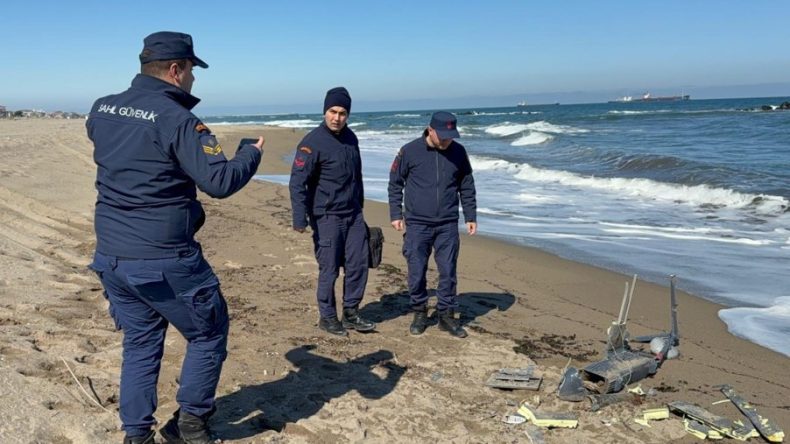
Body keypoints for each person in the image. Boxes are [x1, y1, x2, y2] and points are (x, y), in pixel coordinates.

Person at [85, 31, 264, 444]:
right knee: (208, 331)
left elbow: (124, 153)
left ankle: (137, 435)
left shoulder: (102, 108)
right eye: (191, 71)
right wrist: (250, 153)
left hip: (112, 254)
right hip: (162, 258)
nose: (193, 79)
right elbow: (219, 181)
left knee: (141, 341)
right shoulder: (177, 118)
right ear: (175, 70)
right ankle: (190, 424)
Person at [289, 87, 376, 336]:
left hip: (353, 214)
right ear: (325, 111)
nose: (337, 118)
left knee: (358, 265)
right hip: (327, 217)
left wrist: (359, 205)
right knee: (329, 269)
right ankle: (327, 317)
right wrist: (299, 218)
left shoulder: (351, 138)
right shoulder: (311, 142)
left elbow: (356, 176)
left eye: (342, 113)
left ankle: (351, 313)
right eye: (332, 111)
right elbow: (297, 182)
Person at [388, 111, 477, 338]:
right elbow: (395, 183)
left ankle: (446, 315)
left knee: (448, 271)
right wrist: (396, 214)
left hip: (447, 223)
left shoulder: (458, 152)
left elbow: (466, 185)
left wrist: (470, 216)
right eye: (443, 136)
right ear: (430, 130)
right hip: (417, 224)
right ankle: (419, 312)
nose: (447, 141)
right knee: (417, 270)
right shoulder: (409, 151)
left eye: (451, 136)